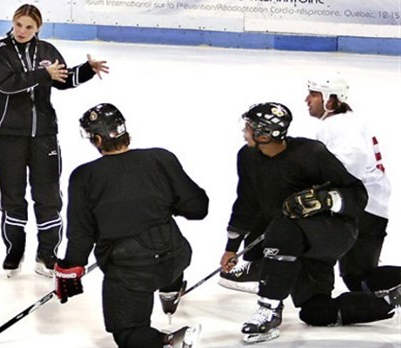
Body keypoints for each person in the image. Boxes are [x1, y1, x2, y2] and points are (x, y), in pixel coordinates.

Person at [220, 102, 400, 344]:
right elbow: (247, 203)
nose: (245, 131)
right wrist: (231, 247)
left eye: (250, 127)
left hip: (333, 231)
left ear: (266, 132)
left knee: (281, 229)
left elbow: (357, 194)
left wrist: (326, 200)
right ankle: (389, 301)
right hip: (298, 241)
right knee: (316, 311)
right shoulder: (248, 157)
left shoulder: (310, 153)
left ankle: (269, 310)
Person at [53, 103, 209, 348]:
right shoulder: (161, 158)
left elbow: (82, 232)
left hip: (131, 269)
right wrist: (158, 203)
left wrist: (71, 267)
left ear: (96, 139)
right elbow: (197, 208)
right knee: (164, 249)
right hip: (175, 256)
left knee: (128, 331)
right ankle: (170, 289)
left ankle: (170, 343)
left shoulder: (85, 176)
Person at [0, 3, 109, 278]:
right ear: (13, 23)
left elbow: (62, 79)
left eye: (29, 27)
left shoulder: (46, 51)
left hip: (44, 135)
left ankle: (48, 252)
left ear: (38, 28)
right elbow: (6, 84)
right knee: (11, 195)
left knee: (48, 195)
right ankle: (15, 249)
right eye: (19, 24)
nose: (22, 31)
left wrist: (87, 70)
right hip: (8, 135)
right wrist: (43, 74)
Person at [305, 72, 397, 292]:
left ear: (330, 99)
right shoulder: (345, 121)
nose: (307, 100)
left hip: (363, 206)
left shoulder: (338, 124)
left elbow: (354, 159)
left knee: (358, 277)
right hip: (371, 204)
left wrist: (325, 191)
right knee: (358, 276)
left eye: (313, 95)